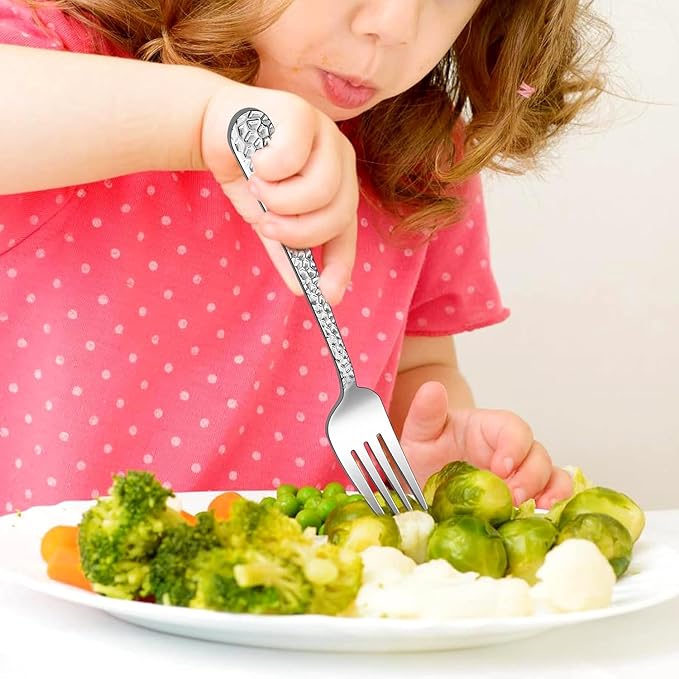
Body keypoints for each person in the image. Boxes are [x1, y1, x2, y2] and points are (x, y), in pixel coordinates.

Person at [0, 0, 608, 514]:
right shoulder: (65, 57)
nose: (394, 26)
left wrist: (433, 450)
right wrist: (204, 119)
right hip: (43, 606)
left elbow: (419, 366)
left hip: (301, 608)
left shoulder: (420, 159)